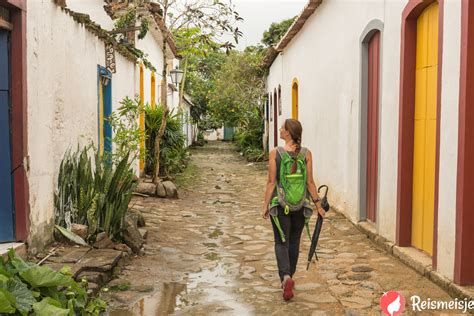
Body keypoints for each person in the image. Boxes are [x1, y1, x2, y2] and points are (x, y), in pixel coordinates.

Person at [262, 118, 326, 301]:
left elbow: (271, 182)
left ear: (288, 133)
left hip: (281, 205)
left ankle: (286, 277)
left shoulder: (276, 153)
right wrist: (318, 205)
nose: (280, 130)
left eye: (282, 128)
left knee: (281, 242)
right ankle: (290, 276)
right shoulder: (306, 153)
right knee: (294, 242)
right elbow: (310, 182)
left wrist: (265, 205)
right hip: (300, 205)